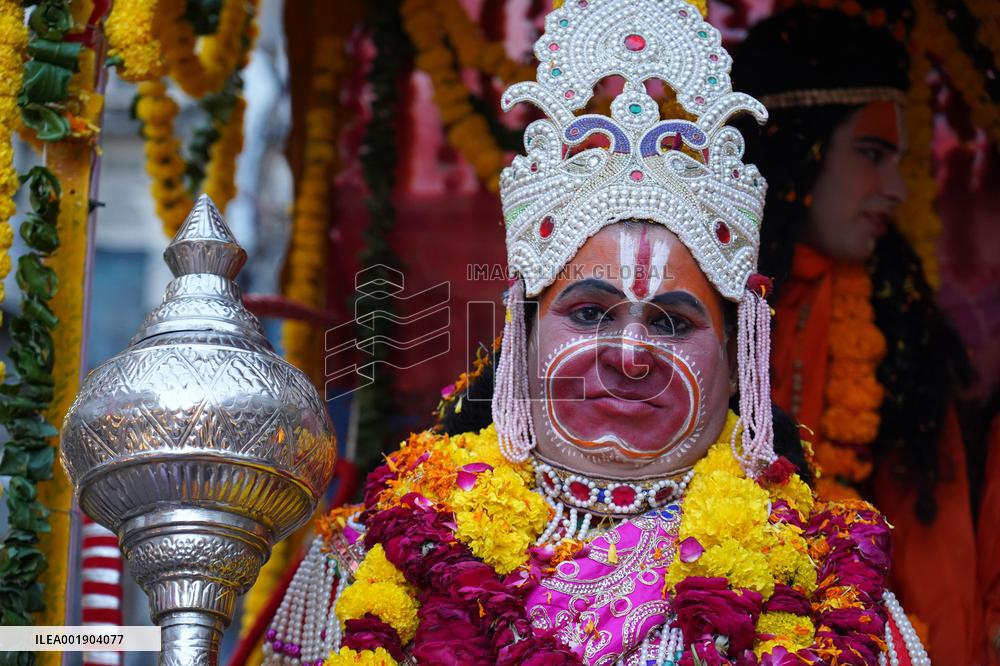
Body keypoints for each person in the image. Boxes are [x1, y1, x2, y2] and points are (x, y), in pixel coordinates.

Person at [261, 1, 929, 663]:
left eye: (672, 323)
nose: (632, 354)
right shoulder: (373, 560)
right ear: (520, 336)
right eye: (588, 313)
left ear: (738, 359)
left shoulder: (824, 591)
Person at [732, 7, 985, 664]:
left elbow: (937, 557)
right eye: (872, 155)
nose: (897, 190)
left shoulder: (900, 326)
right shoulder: (687, 309)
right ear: (795, 147)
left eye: (900, 161)